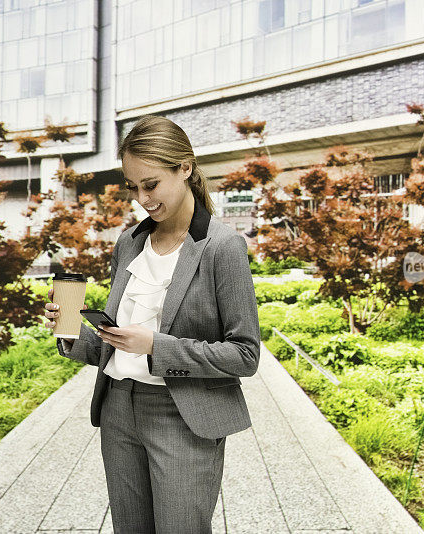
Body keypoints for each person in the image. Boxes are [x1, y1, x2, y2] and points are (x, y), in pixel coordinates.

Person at [43, 114, 261, 534]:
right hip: (117, 409)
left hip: (182, 414)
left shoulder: (222, 247)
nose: (142, 198)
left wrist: (155, 346)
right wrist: (70, 331)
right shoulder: (130, 242)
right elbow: (117, 344)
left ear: (185, 168)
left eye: (151, 184)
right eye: (133, 186)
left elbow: (245, 355)